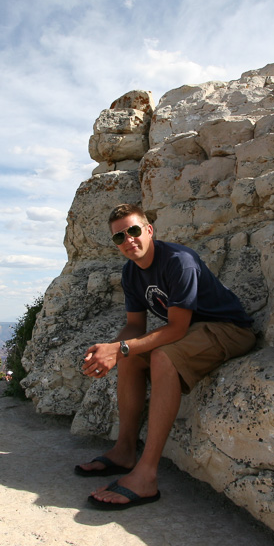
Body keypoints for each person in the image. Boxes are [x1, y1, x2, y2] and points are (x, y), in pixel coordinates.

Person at [77, 203, 256, 509]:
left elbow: (175, 329)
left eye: (133, 231)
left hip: (228, 329)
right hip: (193, 331)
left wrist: (119, 349)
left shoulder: (178, 261)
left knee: (162, 356)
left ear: (149, 230)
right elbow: (135, 325)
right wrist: (108, 351)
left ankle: (146, 475)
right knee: (130, 357)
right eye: (119, 237)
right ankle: (124, 450)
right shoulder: (131, 272)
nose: (128, 240)